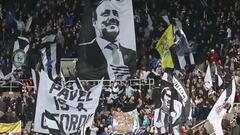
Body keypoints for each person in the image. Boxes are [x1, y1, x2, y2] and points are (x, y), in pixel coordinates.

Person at [76, 0, 136, 80]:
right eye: (105, 14)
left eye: (115, 14)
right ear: (94, 22)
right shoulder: (84, 50)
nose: (112, 18)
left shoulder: (131, 53)